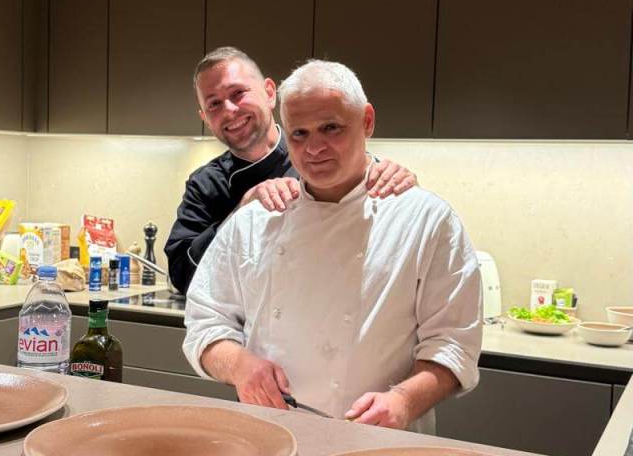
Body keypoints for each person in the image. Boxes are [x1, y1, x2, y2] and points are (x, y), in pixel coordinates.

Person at [182, 60, 482, 435]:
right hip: (269, 436)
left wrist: (404, 400)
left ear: (367, 121)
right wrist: (239, 365)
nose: (314, 148)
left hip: (378, 442)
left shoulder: (427, 220)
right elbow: (205, 325)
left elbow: (454, 343)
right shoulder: (254, 220)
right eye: (299, 134)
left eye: (331, 128)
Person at [164, 47, 418, 295]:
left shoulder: (321, 161)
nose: (229, 110)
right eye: (214, 104)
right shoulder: (205, 183)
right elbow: (182, 276)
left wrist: (396, 182)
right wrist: (241, 212)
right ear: (205, 118)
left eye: (238, 93)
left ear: (269, 93)